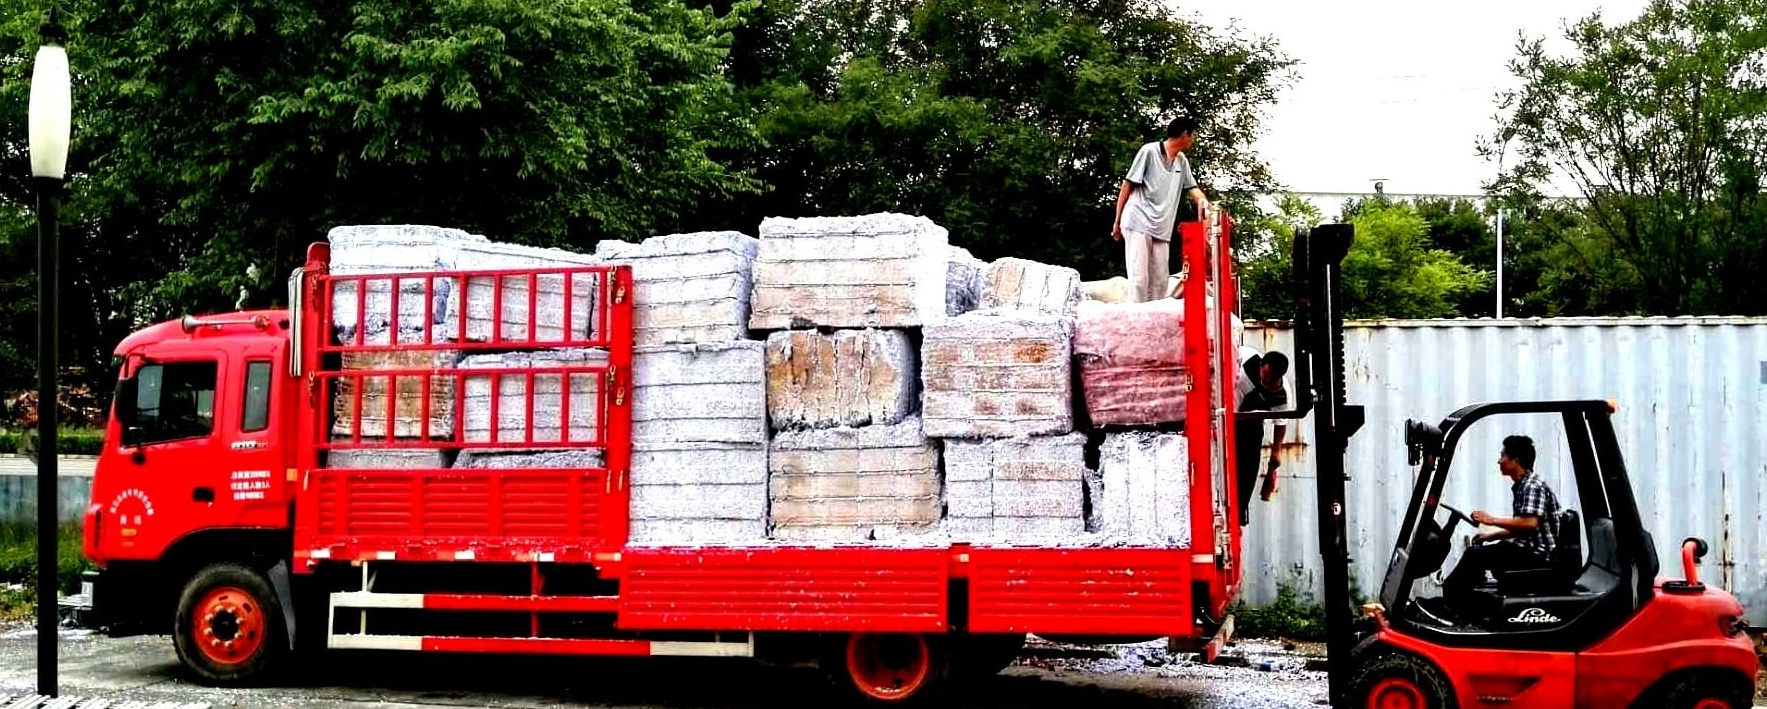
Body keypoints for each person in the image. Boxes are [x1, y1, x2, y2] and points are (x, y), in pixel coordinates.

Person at [1435, 435, 1562, 616]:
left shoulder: (1532, 486)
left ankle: (1453, 603)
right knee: (1478, 552)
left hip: (1538, 554)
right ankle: (1467, 603)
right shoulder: (1522, 485)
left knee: (1474, 556)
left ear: (1515, 460)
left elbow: (1530, 523)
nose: (1499, 460)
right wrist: (1491, 536)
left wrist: (1490, 520)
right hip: (1528, 547)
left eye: (1503, 455)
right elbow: (1521, 527)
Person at [1111, 116, 1212, 303]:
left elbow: (1193, 189)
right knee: (1140, 280)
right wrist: (1117, 222)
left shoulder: (1181, 161)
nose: (1193, 140)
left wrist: (1207, 207)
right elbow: (1127, 185)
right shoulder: (1149, 151)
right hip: (1138, 220)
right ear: (1184, 134)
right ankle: (1136, 324)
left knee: (1160, 282)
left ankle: (1154, 325)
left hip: (1161, 227)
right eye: (1193, 135)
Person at [1233, 347, 1290, 526]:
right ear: (1260, 366)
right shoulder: (1246, 369)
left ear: (1279, 377)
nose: (1266, 381)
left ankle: (1240, 509)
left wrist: (1275, 456)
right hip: (1233, 404)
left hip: (1252, 419)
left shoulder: (1282, 395)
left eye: (1271, 379)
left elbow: (1280, 423)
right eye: (1264, 375)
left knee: (1251, 454)